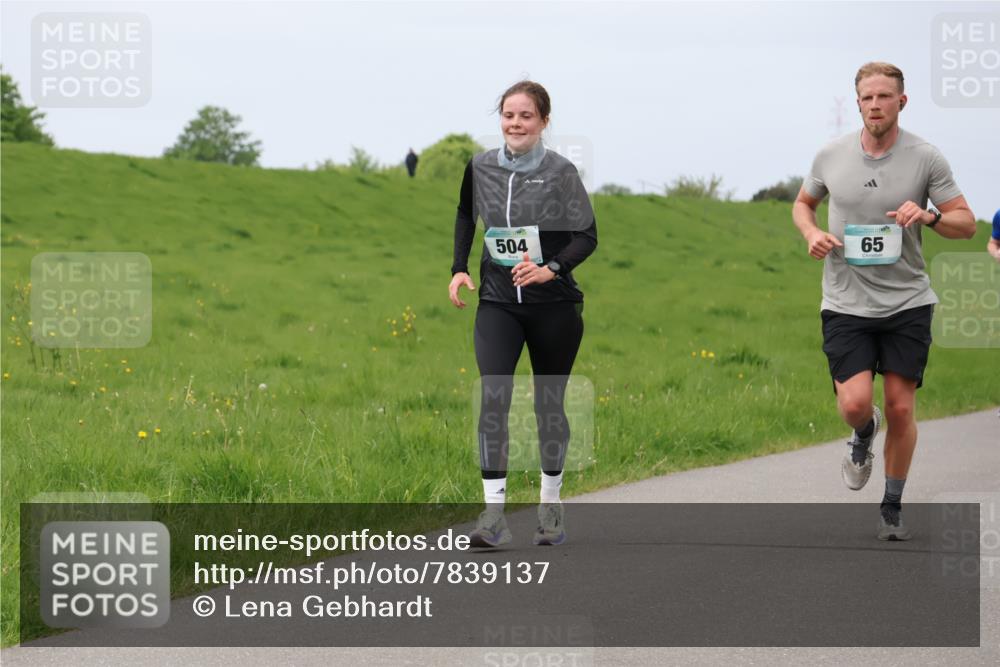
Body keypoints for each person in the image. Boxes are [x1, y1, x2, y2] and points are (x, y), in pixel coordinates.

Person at [793, 62, 976, 540]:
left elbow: (967, 224)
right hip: (845, 301)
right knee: (855, 404)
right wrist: (811, 232)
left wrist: (930, 216)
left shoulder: (925, 157)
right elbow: (802, 203)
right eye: (867, 97)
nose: (875, 105)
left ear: (902, 101)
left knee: (900, 408)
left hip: (907, 302)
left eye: (884, 97)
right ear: (858, 103)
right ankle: (861, 432)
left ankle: (891, 506)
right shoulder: (830, 155)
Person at [448, 80, 597, 547]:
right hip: (496, 303)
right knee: (493, 399)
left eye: (526, 116)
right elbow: (463, 214)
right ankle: (493, 516)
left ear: (543, 122)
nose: (515, 123)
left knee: (547, 405)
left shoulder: (560, 171)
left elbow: (587, 236)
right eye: (509, 115)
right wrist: (458, 269)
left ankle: (550, 505)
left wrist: (551, 269)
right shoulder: (481, 167)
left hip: (552, 307)